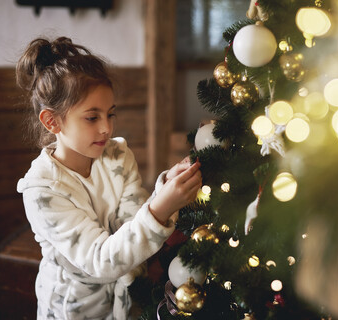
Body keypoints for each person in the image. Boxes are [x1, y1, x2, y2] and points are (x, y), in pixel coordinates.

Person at [16, 37, 202, 320]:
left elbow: (132, 224)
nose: (106, 128)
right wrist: (162, 207)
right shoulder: (41, 190)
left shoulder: (117, 154)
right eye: (92, 118)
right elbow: (101, 260)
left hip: (127, 306)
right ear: (52, 121)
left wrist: (166, 189)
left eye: (110, 114)